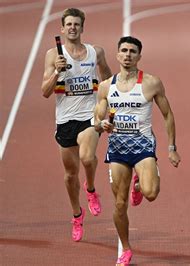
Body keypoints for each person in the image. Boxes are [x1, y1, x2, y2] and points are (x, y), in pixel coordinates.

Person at [94, 36, 181, 265]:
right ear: (117, 55)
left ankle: (140, 185)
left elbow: (168, 114)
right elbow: (97, 117)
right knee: (120, 204)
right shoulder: (106, 86)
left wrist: (171, 148)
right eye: (124, 50)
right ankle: (126, 247)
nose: (128, 54)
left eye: (133, 51)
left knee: (151, 193)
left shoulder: (151, 83)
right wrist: (101, 124)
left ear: (139, 56)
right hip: (118, 148)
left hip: (143, 146)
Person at [41, 8, 112, 242]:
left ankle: (91, 189)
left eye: (76, 24)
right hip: (65, 121)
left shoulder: (96, 52)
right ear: (62, 28)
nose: (72, 27)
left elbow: (108, 81)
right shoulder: (53, 55)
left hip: (89, 117)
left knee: (88, 157)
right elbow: (45, 92)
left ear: (82, 28)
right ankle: (77, 215)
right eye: (68, 24)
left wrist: (109, 107)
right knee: (70, 175)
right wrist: (57, 74)